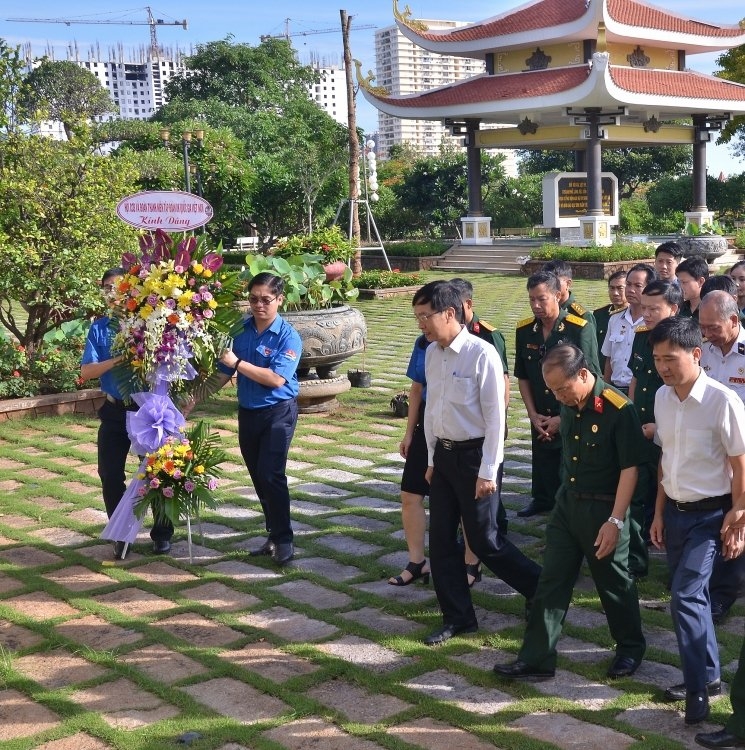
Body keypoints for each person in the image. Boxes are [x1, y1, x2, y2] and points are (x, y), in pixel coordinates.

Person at [493, 344, 646, 681]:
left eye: (563, 388)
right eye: (552, 390)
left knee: (614, 585)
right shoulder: (569, 405)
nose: (558, 396)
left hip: (604, 510)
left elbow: (630, 469)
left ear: (584, 374)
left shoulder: (619, 409)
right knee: (552, 581)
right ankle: (537, 658)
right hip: (568, 505)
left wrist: (616, 521)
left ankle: (630, 649)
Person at [414, 280, 541, 645]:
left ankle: (539, 587)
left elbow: (495, 418)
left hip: (475, 458)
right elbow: (433, 410)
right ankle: (458, 617)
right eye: (418, 317)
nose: (421, 324)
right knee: (439, 542)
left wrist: (488, 470)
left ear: (449, 313)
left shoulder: (481, 353)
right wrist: (432, 458)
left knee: (485, 541)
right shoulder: (432, 353)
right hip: (444, 459)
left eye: (426, 316)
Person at [649, 316, 745, 726]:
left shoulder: (724, 401)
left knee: (685, 597)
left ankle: (695, 689)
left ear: (695, 354)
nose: (663, 367)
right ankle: (709, 677)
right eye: (656, 359)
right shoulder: (661, 397)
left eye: (670, 359)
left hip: (711, 516)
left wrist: (739, 515)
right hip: (674, 512)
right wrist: (656, 512)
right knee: (694, 599)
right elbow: (665, 459)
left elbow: (740, 465)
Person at [80, 268, 174, 559]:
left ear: (130, 290)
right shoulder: (100, 328)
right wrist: (121, 357)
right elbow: (86, 372)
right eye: (106, 288)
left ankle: (162, 534)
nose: (112, 294)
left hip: (147, 411)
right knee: (109, 473)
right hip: (113, 410)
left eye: (117, 287)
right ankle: (121, 534)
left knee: (159, 472)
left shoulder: (149, 322)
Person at [215, 272, 302, 566]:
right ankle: (272, 534)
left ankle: (285, 539)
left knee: (271, 473)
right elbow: (222, 371)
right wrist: (191, 401)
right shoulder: (241, 329)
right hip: (248, 412)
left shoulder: (289, 336)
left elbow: (277, 379)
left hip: (278, 412)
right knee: (257, 475)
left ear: (280, 300)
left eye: (266, 300)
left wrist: (237, 363)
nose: (259, 305)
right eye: (253, 299)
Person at [514, 271, 601, 517]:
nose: (536, 305)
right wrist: (532, 415)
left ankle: (568, 509)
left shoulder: (578, 328)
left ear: (557, 295)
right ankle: (541, 499)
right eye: (531, 299)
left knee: (570, 463)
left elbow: (592, 377)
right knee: (542, 460)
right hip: (540, 412)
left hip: (571, 412)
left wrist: (562, 418)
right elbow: (523, 376)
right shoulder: (525, 330)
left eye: (542, 299)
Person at [451, 277, 511, 579]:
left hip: (486, 428)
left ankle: (488, 543)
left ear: (467, 305)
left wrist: (499, 424)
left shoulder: (487, 337)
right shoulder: (439, 346)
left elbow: (503, 383)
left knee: (487, 506)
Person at [626, 280, 682, 579]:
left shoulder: (682, 342)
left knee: (671, 498)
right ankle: (636, 560)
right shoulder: (641, 336)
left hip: (672, 434)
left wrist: (659, 427)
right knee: (636, 495)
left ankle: (676, 562)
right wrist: (633, 416)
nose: (645, 314)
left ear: (673, 308)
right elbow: (636, 378)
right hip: (642, 430)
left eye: (653, 309)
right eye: (644, 308)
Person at [699, 291, 745, 624]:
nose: (707, 334)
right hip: (710, 448)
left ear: (733, 320)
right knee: (720, 514)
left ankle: (723, 595)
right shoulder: (704, 351)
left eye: (713, 327)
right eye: (703, 327)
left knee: (737, 514)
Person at [389, 333, 432, 586]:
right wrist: (409, 433)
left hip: (457, 423)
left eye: (427, 315)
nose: (423, 322)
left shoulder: (476, 341)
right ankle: (417, 562)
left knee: (458, 502)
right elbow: (417, 388)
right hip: (425, 421)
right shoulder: (422, 342)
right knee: (410, 494)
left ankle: (471, 565)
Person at [601, 264, 655, 394]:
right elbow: (609, 358)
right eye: (629, 284)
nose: (630, 290)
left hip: (641, 391)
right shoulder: (615, 319)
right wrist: (605, 390)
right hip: (615, 389)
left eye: (638, 286)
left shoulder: (652, 321)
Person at [542, 259, 595, 329]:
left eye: (555, 282)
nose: (550, 286)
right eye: (546, 283)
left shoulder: (583, 316)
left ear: (568, 284)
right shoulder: (542, 310)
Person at [594, 270, 628, 374]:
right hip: (601, 373)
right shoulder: (599, 315)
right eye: (612, 288)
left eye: (620, 288)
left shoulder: (634, 316)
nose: (615, 293)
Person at [676, 255, 710, 319]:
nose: (680, 286)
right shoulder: (680, 308)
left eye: (684, 282)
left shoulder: (711, 309)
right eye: (678, 282)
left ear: (700, 281)